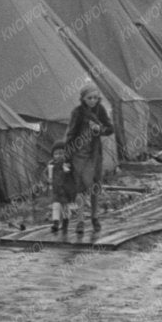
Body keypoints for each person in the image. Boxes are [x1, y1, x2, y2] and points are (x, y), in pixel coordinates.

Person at [54, 83, 115, 239]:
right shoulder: (78, 113)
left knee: (95, 186)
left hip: (94, 154)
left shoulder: (100, 110)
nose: (93, 100)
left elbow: (110, 129)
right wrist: (67, 156)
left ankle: (95, 217)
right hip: (79, 154)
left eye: (95, 97)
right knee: (80, 187)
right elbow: (71, 133)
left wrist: (99, 129)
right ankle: (80, 221)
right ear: (83, 98)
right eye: (89, 98)